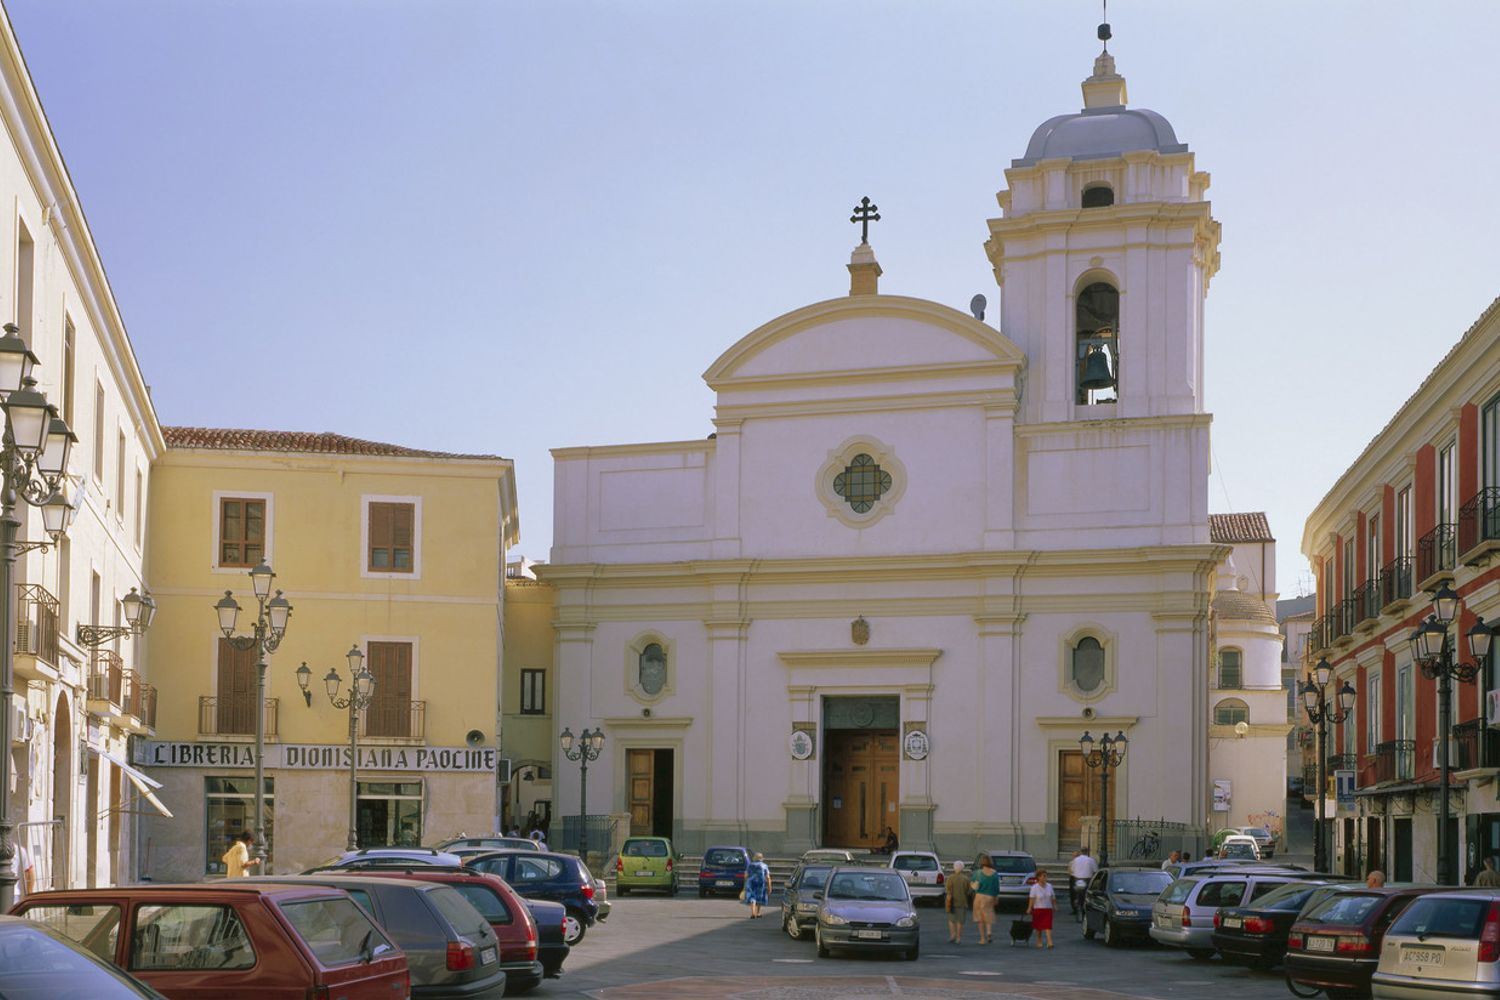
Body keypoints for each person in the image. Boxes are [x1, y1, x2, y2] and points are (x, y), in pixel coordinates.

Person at [972, 853, 1000, 945]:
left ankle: (982, 939)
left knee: (980, 918)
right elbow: (997, 887)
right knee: (988, 915)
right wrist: (996, 897)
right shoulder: (995, 873)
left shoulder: (977, 873)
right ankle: (989, 932)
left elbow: (974, 886)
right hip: (990, 896)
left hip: (979, 896)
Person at [1027, 867, 1057, 948]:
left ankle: (1049, 942)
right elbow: (1032, 898)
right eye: (1043, 876)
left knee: (1048, 926)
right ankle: (1039, 940)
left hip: (1048, 909)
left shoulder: (1049, 886)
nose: (1045, 878)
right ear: (1039, 877)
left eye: (1046, 876)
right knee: (1038, 927)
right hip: (1038, 909)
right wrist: (1029, 908)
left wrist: (1054, 906)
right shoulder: (1034, 887)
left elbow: (1053, 897)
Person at [944, 861, 972, 944]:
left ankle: (953, 935)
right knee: (960, 921)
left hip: (951, 902)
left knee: (951, 920)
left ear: (954, 868)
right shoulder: (966, 879)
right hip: (962, 902)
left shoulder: (950, 878)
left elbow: (947, 890)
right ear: (962, 868)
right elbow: (969, 891)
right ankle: (958, 938)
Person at [1067, 847, 1097, 916]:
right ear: (1087, 852)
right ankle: (1086, 907)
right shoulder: (1091, 860)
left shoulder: (1075, 860)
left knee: (1076, 894)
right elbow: (1095, 870)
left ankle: (1076, 907)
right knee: (1087, 895)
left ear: (1081, 852)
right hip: (1087, 880)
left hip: (1077, 879)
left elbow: (1072, 870)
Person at [743, 851, 771, 918]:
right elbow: (768, 877)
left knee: (752, 897)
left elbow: (746, 875)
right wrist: (770, 887)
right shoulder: (764, 865)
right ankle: (758, 913)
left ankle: (753, 913)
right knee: (759, 897)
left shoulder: (750, 865)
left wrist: (745, 883)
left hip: (751, 883)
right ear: (762, 858)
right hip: (761, 883)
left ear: (754, 858)